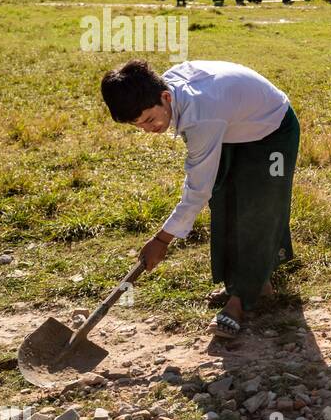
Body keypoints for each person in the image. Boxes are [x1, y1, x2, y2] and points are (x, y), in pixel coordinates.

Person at [100, 59, 300, 340]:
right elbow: (206, 185)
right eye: (139, 125)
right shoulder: (167, 91)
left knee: (260, 208)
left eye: (149, 120)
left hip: (272, 129)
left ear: (165, 97)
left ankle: (240, 301)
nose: (148, 129)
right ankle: (249, 284)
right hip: (233, 128)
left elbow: (197, 190)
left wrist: (162, 240)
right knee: (224, 200)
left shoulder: (202, 115)